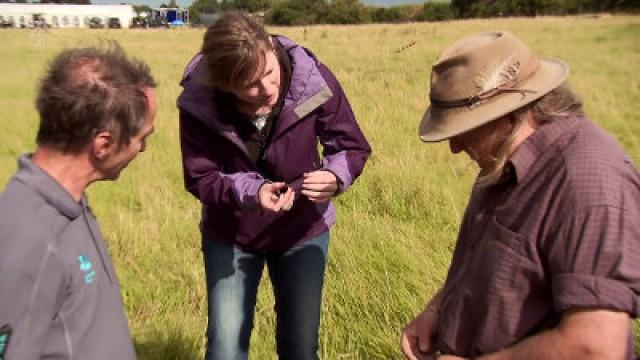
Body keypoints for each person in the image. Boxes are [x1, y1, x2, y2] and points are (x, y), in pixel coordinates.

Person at [401, 31, 640, 359]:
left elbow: (595, 345)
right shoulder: (502, 162)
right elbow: (495, 263)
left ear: (510, 115)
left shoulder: (587, 180)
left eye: (464, 129)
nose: (455, 147)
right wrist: (438, 310)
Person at [177, 11, 371, 360]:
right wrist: (251, 192)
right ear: (223, 84)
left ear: (270, 46)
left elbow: (350, 146)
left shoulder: (310, 78)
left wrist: (335, 176)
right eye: (250, 85)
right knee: (225, 348)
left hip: (303, 231)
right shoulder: (198, 101)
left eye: (269, 72)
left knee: (300, 348)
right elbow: (200, 177)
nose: (267, 89)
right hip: (231, 235)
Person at [0, 44, 157, 360]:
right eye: (142, 138)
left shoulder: (68, 203)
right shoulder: (30, 238)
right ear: (104, 144)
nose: (142, 149)